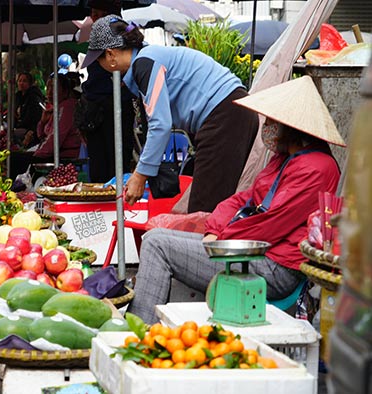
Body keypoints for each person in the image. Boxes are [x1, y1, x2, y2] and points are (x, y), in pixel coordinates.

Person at [127, 76, 345, 323]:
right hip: (252, 248)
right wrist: (215, 229)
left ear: (291, 127)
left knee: (158, 246)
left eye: (274, 121)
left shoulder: (316, 168)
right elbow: (243, 199)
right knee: (155, 236)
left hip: (275, 267)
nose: (268, 126)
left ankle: (140, 330)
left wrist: (220, 237)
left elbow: (269, 225)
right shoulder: (285, 158)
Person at [82, 15, 260, 212]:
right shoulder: (148, 57)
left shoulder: (145, 63)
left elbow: (160, 125)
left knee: (203, 210)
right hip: (234, 111)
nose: (100, 65)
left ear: (110, 55)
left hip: (226, 115)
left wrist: (140, 176)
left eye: (98, 60)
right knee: (217, 207)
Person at [80, 0, 137, 183]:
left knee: (117, 161)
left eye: (97, 13)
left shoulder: (123, 44)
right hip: (96, 112)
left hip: (118, 109)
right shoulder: (95, 42)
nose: (93, 17)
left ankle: (117, 200)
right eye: (92, 13)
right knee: (98, 165)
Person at [10, 73, 83, 179]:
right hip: (51, 153)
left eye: (53, 87)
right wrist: (43, 122)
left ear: (65, 91)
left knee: (15, 160)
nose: (49, 92)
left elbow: (55, 139)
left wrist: (36, 154)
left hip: (63, 156)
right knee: (15, 157)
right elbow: (42, 136)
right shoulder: (56, 108)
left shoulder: (67, 107)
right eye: (48, 87)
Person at [13, 72, 44, 148]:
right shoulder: (18, 97)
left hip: (30, 130)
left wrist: (30, 132)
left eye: (24, 81)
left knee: (11, 136)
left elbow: (36, 118)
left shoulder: (33, 97)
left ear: (30, 83)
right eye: (20, 81)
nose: (21, 83)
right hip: (19, 126)